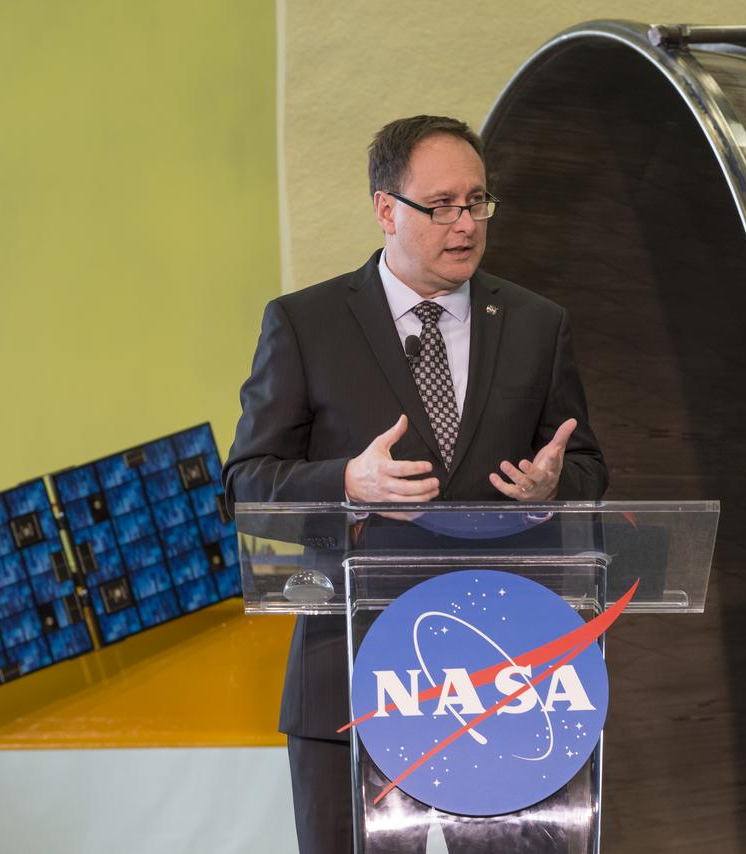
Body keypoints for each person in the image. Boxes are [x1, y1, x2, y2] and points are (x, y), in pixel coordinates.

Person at [223, 114, 607, 853]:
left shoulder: (537, 324)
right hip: (356, 679)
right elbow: (245, 485)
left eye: (477, 202)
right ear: (385, 209)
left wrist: (550, 488)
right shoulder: (306, 325)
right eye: (441, 206)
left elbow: (584, 463)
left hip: (507, 684)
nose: (465, 223)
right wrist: (348, 481)